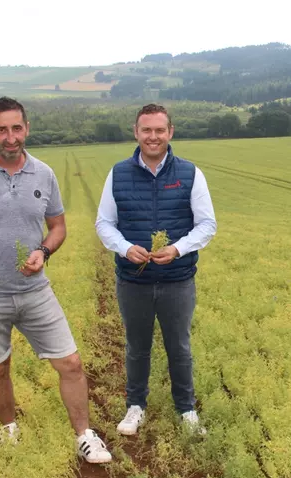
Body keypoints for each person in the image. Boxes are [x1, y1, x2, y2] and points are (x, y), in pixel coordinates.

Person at [0, 97, 111, 463]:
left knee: (71, 364)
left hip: (36, 292)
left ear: (27, 128)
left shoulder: (44, 174)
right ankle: (9, 430)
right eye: (1, 129)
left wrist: (45, 252)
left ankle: (84, 435)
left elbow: (58, 226)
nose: (10, 136)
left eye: (16, 127)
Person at [95, 103, 217, 436]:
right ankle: (136, 406)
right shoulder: (118, 173)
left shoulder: (190, 173)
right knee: (137, 346)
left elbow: (207, 224)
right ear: (136, 133)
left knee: (179, 346)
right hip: (133, 281)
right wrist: (125, 248)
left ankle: (186, 409)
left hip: (177, 280)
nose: (153, 136)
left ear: (170, 132)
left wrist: (177, 248)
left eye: (159, 130)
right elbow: (104, 223)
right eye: (146, 130)